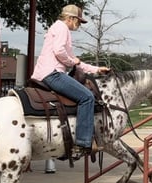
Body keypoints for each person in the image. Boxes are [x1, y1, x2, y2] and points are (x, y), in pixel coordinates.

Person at [31, 4, 110, 153]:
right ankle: (82, 143)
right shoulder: (62, 28)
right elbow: (60, 51)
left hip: (46, 72)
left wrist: (96, 70)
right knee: (87, 97)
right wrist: (71, 62)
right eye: (79, 21)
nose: (79, 25)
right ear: (71, 18)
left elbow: (76, 62)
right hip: (52, 73)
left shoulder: (56, 28)